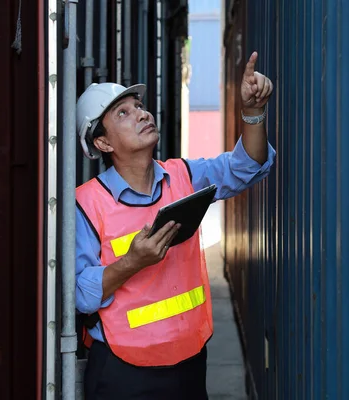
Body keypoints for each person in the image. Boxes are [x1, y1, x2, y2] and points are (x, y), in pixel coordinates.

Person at [74, 51, 276, 399]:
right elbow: (78, 294)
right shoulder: (87, 203)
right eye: (124, 113)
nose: (141, 114)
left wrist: (254, 112)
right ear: (103, 142)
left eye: (138, 106)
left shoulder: (184, 175)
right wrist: (131, 263)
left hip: (188, 362)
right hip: (123, 372)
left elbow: (247, 167)